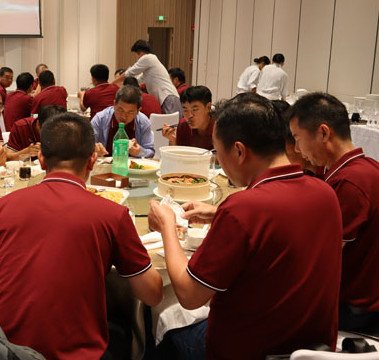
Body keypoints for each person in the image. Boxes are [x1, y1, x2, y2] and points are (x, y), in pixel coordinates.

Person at [0, 112, 162, 359]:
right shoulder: (113, 215)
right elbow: (152, 294)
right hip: (74, 354)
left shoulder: (3, 207)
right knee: (128, 328)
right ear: (92, 160)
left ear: (41, 160)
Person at [150, 93, 342, 359]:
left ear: (239, 151)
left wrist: (167, 226)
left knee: (161, 318)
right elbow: (276, 228)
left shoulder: (242, 208)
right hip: (311, 349)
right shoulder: (326, 193)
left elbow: (189, 294)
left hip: (248, 350)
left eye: (218, 151)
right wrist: (219, 214)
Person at [288, 92, 379, 332]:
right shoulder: (368, 167)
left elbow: (318, 257)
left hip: (353, 309)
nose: (296, 148)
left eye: (297, 138)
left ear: (323, 133)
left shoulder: (349, 183)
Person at [114, 40, 181, 116]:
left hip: (168, 97)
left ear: (139, 53)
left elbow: (129, 73)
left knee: (171, 123)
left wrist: (112, 83)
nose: (137, 59)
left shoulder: (148, 58)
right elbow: (138, 80)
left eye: (135, 55)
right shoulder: (150, 65)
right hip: (168, 97)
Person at [91, 85, 155, 158]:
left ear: (138, 111)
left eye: (130, 112)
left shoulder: (143, 122)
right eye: (120, 110)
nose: (124, 116)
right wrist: (94, 148)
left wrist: (139, 152)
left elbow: (151, 152)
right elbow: (86, 146)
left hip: (132, 164)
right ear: (114, 104)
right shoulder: (100, 119)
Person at [162, 86, 215, 150]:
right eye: (185, 110)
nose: (190, 115)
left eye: (195, 110)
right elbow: (178, 154)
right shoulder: (183, 126)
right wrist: (172, 140)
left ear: (208, 107)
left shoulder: (219, 129)